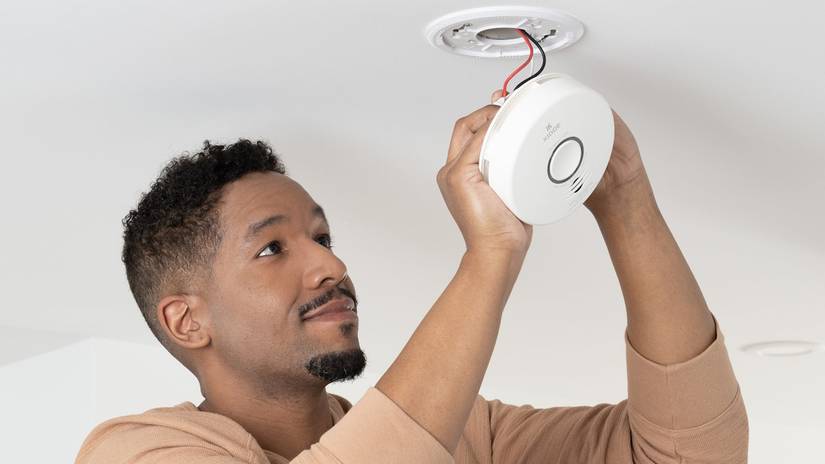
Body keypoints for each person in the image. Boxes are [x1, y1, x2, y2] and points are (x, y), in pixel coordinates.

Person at [75, 90, 748, 463]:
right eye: (272, 249)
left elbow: (694, 456)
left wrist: (625, 201)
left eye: (322, 236)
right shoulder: (135, 453)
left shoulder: (461, 436)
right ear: (186, 320)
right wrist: (488, 258)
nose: (331, 266)